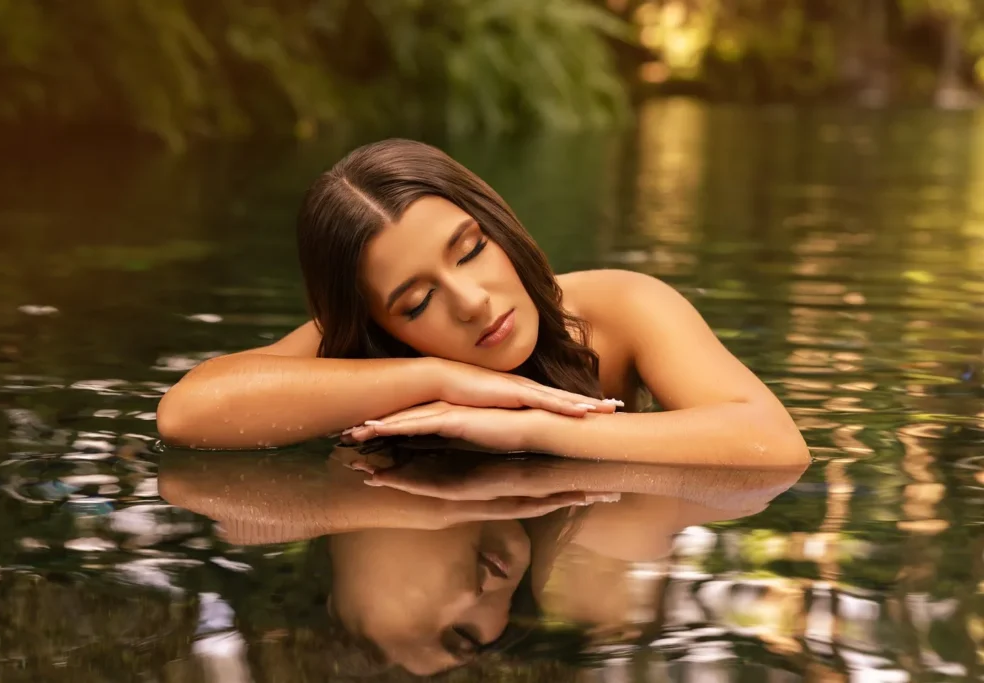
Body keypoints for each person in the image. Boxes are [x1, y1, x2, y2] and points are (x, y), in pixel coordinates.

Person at [156, 138, 809, 469]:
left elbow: (773, 443)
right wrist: (442, 379)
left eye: (469, 250)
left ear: (495, 223)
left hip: (587, 526)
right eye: (416, 303)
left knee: (597, 582)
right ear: (378, 323)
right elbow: (186, 413)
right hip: (426, 524)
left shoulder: (619, 309)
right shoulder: (365, 346)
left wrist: (532, 427)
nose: (471, 301)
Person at [159, 446, 804, 676]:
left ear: (336, 601)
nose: (473, 600)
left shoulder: (348, 389)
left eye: (417, 629)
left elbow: (186, 455)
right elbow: (763, 472)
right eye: (471, 641)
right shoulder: (603, 525)